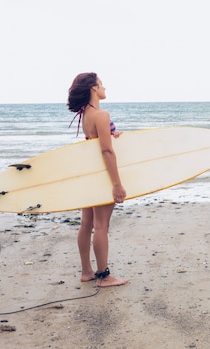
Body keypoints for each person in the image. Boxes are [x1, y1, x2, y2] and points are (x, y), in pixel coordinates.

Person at [67, 72, 128, 287]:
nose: (104, 88)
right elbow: (106, 152)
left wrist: (112, 135)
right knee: (101, 226)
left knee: (87, 224)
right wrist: (117, 184)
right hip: (101, 177)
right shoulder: (101, 115)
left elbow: (95, 142)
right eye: (101, 84)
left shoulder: (86, 114)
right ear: (93, 88)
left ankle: (87, 271)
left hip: (89, 175)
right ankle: (104, 276)